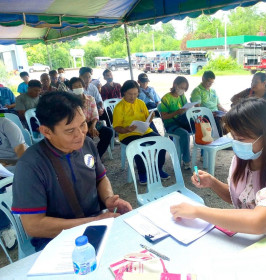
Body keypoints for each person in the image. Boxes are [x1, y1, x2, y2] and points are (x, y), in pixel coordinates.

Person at [170, 97, 266, 248]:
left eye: (241, 138)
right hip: (255, 241)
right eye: (233, 137)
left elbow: (259, 222)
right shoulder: (243, 159)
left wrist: (198, 211)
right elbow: (241, 199)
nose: (236, 143)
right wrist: (212, 183)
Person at [11, 91, 133, 251]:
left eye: (82, 124)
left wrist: (108, 198)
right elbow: (34, 226)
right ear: (46, 131)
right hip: (55, 240)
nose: (80, 134)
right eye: (70, 131)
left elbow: (100, 178)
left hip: (95, 222)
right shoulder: (30, 165)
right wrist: (94, 222)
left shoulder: (87, 144)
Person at [113, 80, 170, 185]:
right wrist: (127, 129)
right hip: (128, 134)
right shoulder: (119, 107)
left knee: (162, 142)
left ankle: (158, 168)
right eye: (130, 94)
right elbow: (117, 127)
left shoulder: (141, 103)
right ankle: (142, 173)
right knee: (138, 146)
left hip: (144, 131)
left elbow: (146, 120)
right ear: (124, 92)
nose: (133, 96)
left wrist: (150, 118)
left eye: (135, 94)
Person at [68, 77, 113, 159]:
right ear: (71, 88)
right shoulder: (69, 102)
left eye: (80, 85)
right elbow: (73, 119)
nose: (78, 88)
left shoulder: (90, 98)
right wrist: (86, 127)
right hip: (78, 126)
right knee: (86, 137)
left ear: (83, 86)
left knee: (108, 132)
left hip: (92, 123)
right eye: (75, 86)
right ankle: (86, 159)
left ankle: (97, 157)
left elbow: (95, 114)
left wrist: (93, 126)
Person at [159, 76, 192, 170]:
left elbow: (185, 107)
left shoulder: (182, 96)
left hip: (182, 121)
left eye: (184, 89)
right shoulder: (166, 98)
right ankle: (186, 160)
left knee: (199, 126)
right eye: (181, 87)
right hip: (171, 124)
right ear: (175, 85)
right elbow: (164, 116)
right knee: (184, 134)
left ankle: (203, 153)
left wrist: (188, 109)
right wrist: (176, 112)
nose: (182, 90)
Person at [190, 71, 227, 137]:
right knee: (217, 120)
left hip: (216, 113)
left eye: (212, 82)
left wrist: (225, 111)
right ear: (203, 79)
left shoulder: (213, 91)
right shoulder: (197, 91)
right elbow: (198, 107)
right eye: (208, 82)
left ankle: (223, 136)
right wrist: (209, 113)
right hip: (205, 115)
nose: (210, 84)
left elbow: (218, 105)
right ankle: (219, 140)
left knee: (232, 116)